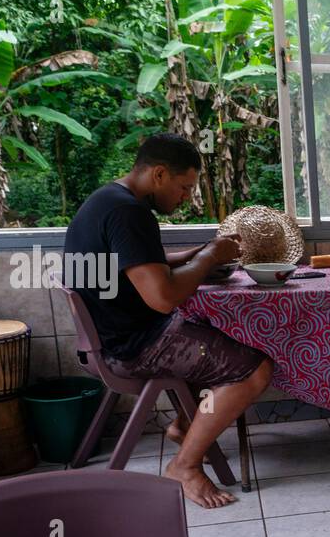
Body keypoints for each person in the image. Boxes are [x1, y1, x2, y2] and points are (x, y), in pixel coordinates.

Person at [63, 133, 273, 509]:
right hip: (134, 346)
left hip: (111, 339)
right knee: (253, 370)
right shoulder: (130, 212)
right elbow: (163, 298)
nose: (185, 198)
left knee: (212, 337)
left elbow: (144, 263)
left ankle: (183, 428)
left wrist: (199, 252)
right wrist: (208, 259)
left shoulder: (107, 200)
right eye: (183, 187)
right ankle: (184, 465)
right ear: (159, 174)